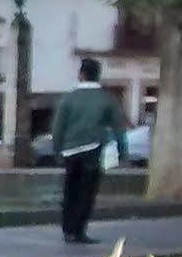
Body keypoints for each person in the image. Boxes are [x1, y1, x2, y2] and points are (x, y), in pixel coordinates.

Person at [49, 57, 129, 244]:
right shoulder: (107, 99)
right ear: (98, 75)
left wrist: (57, 150)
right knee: (87, 191)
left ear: (81, 74)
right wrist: (122, 151)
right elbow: (119, 127)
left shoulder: (68, 98)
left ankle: (67, 229)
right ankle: (79, 230)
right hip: (93, 149)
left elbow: (57, 127)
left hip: (70, 151)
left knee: (70, 190)